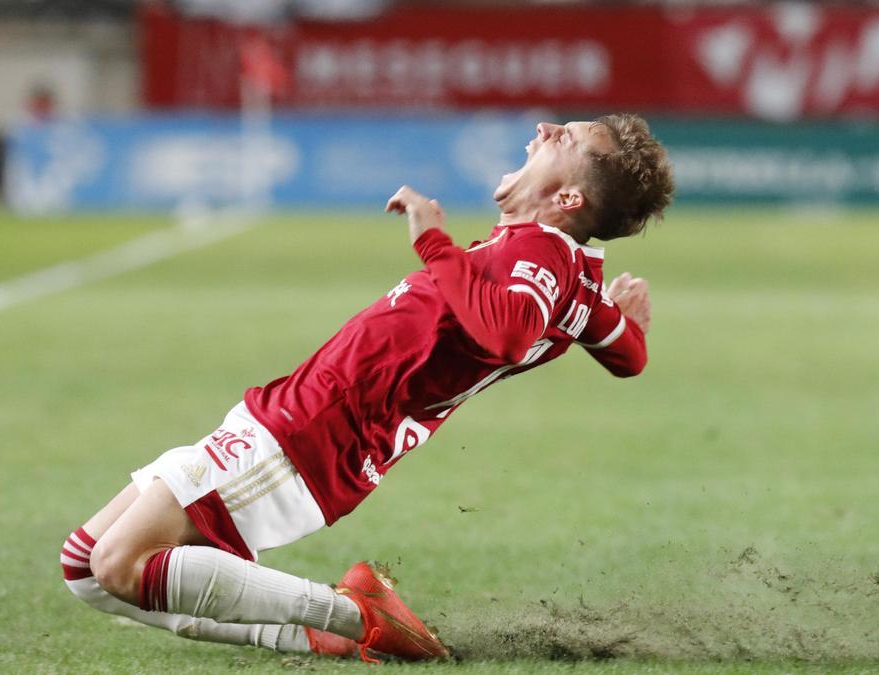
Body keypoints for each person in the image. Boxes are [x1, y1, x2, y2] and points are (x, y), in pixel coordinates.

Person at [60, 114, 675, 662]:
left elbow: (507, 334)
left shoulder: (540, 256)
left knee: (119, 566)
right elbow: (628, 355)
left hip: (312, 433)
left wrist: (434, 241)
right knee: (83, 567)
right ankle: (300, 637)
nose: (544, 129)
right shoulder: (557, 270)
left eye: (563, 137)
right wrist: (625, 324)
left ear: (568, 195)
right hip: (303, 417)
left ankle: (354, 615)